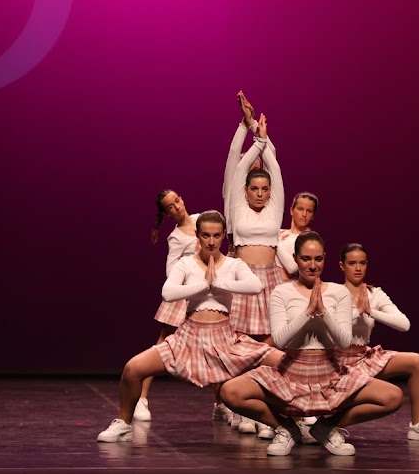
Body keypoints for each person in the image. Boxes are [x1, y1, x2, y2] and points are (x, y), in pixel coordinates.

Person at [97, 211, 284, 443]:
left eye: (216, 235)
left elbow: (255, 286)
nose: (212, 241)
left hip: (224, 340)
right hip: (187, 338)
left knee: (283, 362)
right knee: (133, 369)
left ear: (224, 235)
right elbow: (168, 292)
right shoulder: (186, 264)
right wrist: (203, 284)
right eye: (206, 235)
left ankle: (291, 423)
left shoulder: (234, 264)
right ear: (197, 235)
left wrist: (217, 282)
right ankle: (124, 423)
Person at [218, 231, 404, 456]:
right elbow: (279, 339)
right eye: (306, 259)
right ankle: (285, 429)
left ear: (325, 258)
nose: (313, 265)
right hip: (291, 372)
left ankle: (327, 427)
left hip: (330, 374)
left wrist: (323, 312)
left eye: (318, 259)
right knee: (230, 391)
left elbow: (344, 342)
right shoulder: (282, 292)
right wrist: (307, 312)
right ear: (296, 258)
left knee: (393, 396)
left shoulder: (338, 292)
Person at [221, 94, 286, 435]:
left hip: (271, 279)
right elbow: (238, 163)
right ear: (244, 191)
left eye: (265, 189)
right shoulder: (238, 203)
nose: (260, 193)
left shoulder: (275, 208)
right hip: (243, 276)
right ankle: (239, 404)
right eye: (254, 189)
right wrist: (249, 133)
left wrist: (264, 138)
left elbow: (272, 164)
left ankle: (264, 403)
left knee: (269, 344)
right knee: (240, 343)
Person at [338, 243, 419, 441]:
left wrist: (371, 310)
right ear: (341, 266)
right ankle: (329, 424)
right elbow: (336, 330)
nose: (357, 268)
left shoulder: (374, 294)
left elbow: (404, 324)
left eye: (362, 263)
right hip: (338, 362)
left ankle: (417, 423)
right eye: (352, 263)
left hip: (364, 357)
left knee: (417, 362)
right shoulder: (333, 293)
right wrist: (357, 312)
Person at [133, 190, 199, 422]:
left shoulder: (203, 219)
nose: (177, 207)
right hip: (186, 293)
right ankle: (141, 398)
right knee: (163, 344)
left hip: (209, 291)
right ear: (166, 213)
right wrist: (191, 265)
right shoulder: (177, 237)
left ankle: (222, 405)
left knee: (218, 346)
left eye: (178, 201)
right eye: (170, 206)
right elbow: (170, 272)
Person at [276, 192, 319, 279]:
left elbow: (293, 268)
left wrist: (276, 241)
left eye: (309, 211)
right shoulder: (279, 233)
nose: (304, 214)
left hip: (289, 287)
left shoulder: (309, 240)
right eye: (300, 209)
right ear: (292, 210)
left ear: (313, 215)